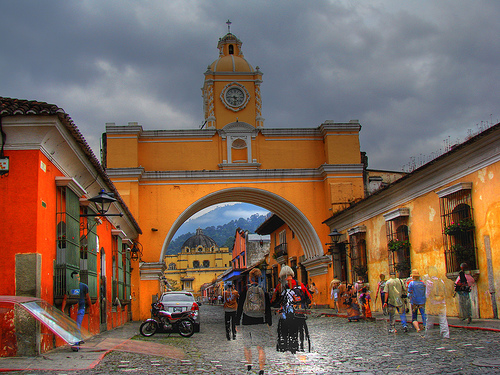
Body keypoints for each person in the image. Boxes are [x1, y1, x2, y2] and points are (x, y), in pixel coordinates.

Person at [236, 268, 272, 375]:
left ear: (250, 278)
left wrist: (237, 322)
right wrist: (268, 322)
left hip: (247, 320)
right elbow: (268, 308)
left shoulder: (245, 290)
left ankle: (249, 365)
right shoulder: (263, 290)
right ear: (259, 277)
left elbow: (240, 307)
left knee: (247, 345)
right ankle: (261, 369)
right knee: (261, 347)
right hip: (260, 321)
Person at [273, 265, 311, 353]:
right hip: (298, 313)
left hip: (285, 315)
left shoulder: (280, 286)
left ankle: (285, 347)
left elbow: (274, 301)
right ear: (292, 274)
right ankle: (295, 346)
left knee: (284, 332)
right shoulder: (299, 284)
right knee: (295, 332)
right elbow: (308, 297)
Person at [424, 266, 450, 338]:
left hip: (432, 303)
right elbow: (445, 291)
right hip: (441, 303)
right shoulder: (441, 281)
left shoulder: (429, 282)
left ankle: (428, 334)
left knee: (429, 320)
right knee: (443, 319)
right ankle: (445, 334)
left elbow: (427, 294)